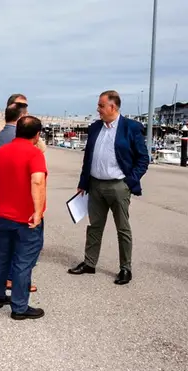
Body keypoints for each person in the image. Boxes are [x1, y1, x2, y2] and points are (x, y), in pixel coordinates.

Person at [68, 90, 149, 285]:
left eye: (101, 106)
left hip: (118, 186)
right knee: (94, 226)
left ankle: (125, 268)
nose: (98, 109)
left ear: (113, 107)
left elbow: (143, 159)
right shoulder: (96, 127)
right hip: (95, 185)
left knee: (122, 228)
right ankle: (89, 263)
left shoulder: (130, 127)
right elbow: (88, 157)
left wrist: (129, 182)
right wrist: (83, 182)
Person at [0, 116, 47, 320]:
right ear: (37, 135)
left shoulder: (0, 152)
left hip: (4, 216)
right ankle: (19, 307)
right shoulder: (35, 154)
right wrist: (37, 211)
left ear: (17, 130)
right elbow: (37, 182)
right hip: (26, 219)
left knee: (1, 257)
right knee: (23, 261)